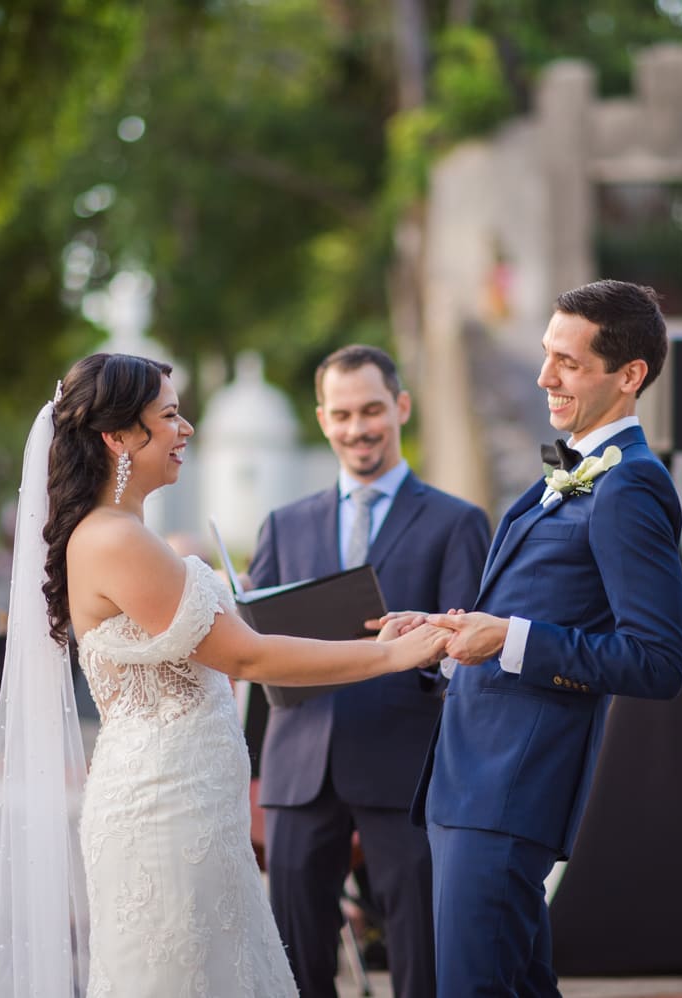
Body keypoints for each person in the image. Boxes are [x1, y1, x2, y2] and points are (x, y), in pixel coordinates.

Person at [0, 353, 450, 998]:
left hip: (192, 807)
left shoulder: (124, 531)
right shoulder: (115, 538)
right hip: (165, 811)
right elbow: (247, 657)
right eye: (170, 416)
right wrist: (388, 655)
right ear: (118, 436)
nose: (188, 430)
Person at [404, 280, 682, 995]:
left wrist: (508, 638)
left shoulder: (629, 488)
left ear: (629, 377)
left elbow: (658, 662)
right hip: (469, 778)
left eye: (567, 362)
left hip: (511, 787)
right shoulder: (569, 469)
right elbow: (529, 603)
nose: (543, 378)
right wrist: (450, 631)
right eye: (544, 356)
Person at [248, 345, 489, 998]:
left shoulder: (457, 522)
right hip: (298, 765)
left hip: (407, 767)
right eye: (344, 413)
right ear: (323, 419)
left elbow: (471, 653)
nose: (359, 428)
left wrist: (430, 646)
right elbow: (252, 643)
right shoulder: (283, 523)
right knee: (296, 957)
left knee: (420, 952)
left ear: (401, 408)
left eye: (373, 410)